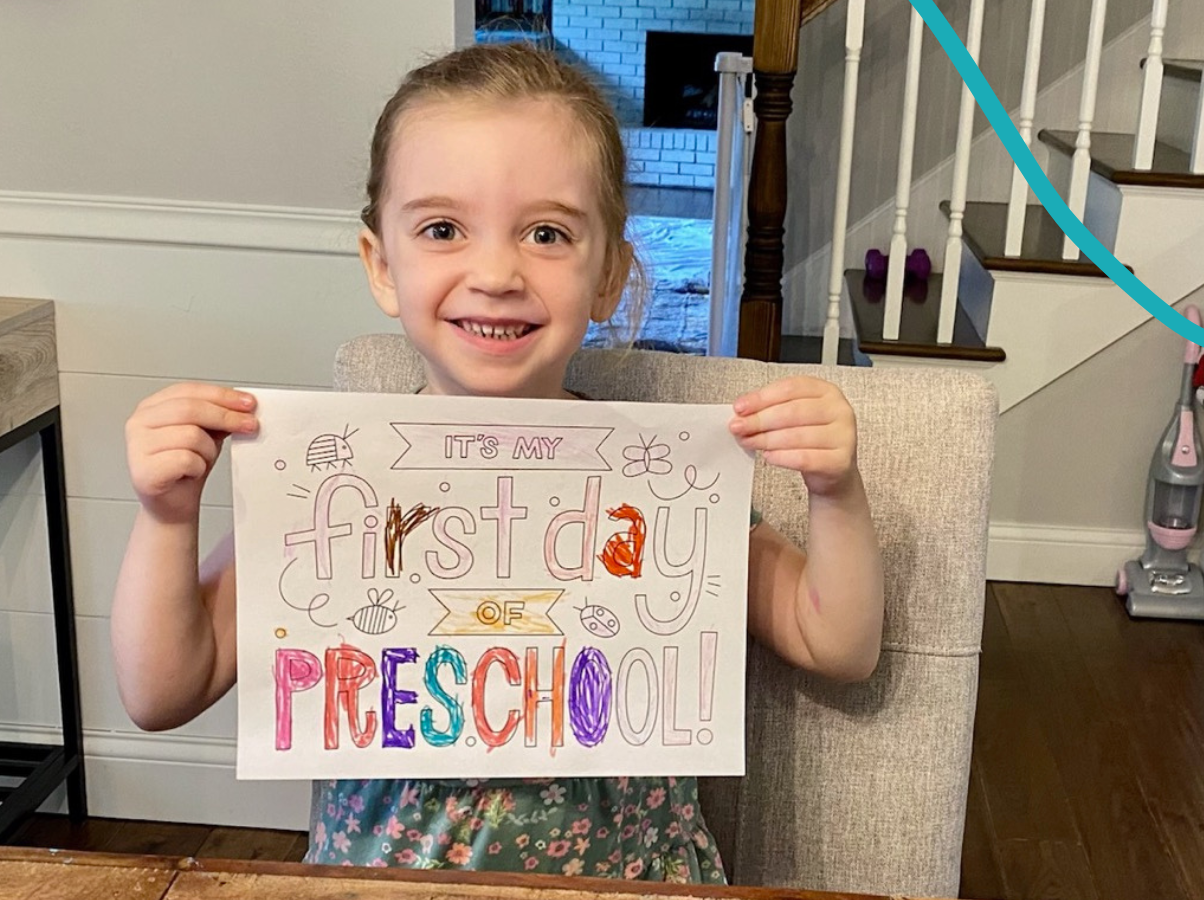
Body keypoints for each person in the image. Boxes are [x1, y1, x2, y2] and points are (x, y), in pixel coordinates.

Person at [112, 41, 884, 884]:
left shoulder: (658, 481)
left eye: (546, 233)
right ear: (382, 264)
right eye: (443, 229)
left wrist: (834, 491)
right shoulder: (332, 485)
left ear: (607, 277)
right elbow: (162, 693)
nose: (494, 273)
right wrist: (166, 517)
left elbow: (836, 641)